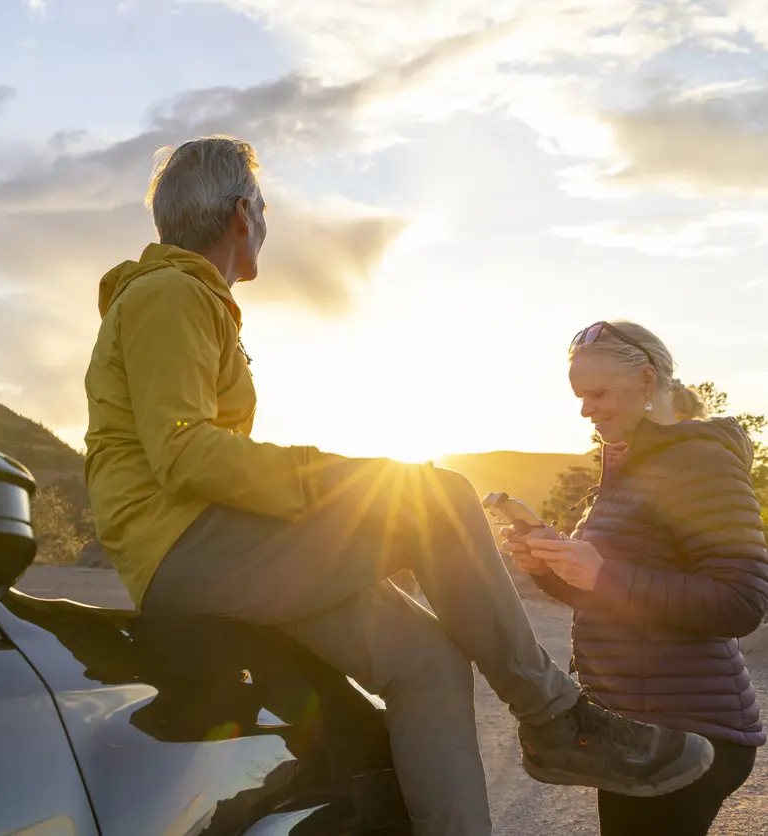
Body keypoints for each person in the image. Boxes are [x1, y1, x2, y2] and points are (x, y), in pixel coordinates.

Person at [81, 135, 715, 835]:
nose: (264, 220)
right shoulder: (170, 294)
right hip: (185, 550)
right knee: (433, 495)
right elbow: (186, 453)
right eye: (261, 207)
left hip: (222, 544)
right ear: (241, 213)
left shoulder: (187, 301)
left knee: (424, 660)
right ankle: (556, 719)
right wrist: (355, 480)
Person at [503, 320, 768, 835]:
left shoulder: (698, 461)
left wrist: (605, 574)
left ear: (647, 381)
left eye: (598, 393)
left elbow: (742, 602)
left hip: (690, 735)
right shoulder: (628, 464)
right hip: (636, 730)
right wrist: (549, 563)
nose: (586, 409)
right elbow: (607, 593)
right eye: (580, 396)